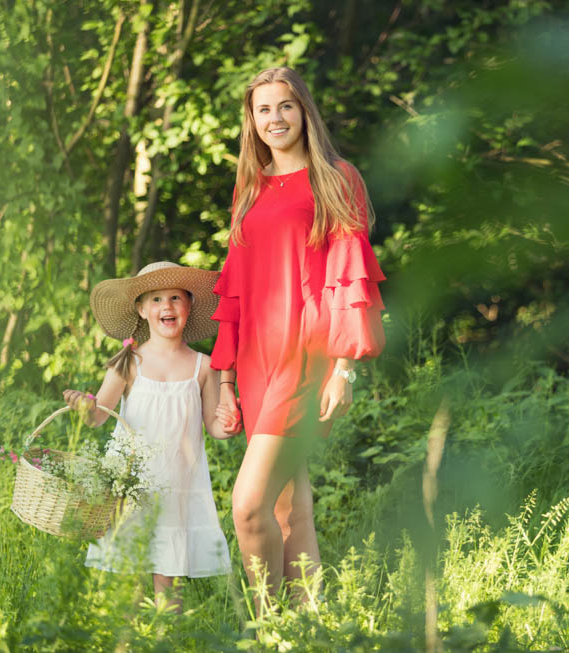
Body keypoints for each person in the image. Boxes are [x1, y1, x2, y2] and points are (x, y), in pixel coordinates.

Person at [211, 67, 386, 608]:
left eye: (284, 106)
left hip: (304, 354)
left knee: (247, 506)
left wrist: (343, 368)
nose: (274, 119)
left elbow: (347, 271)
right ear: (252, 122)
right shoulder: (250, 187)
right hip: (255, 359)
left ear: (304, 111)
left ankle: (268, 625)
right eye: (263, 110)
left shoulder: (336, 177)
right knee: (291, 507)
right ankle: (308, 624)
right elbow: (235, 284)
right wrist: (224, 378)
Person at [63, 261, 238, 612]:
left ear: (189, 306)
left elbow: (214, 427)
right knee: (128, 580)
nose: (167, 306)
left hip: (176, 485)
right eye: (156, 299)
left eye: (175, 298)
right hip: (132, 485)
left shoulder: (203, 367)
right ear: (142, 310)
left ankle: (165, 637)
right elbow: (99, 415)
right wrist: (85, 407)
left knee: (167, 580)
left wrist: (230, 422)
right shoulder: (129, 362)